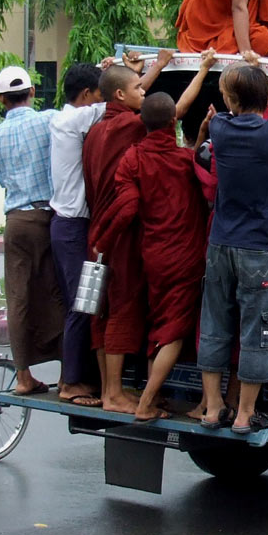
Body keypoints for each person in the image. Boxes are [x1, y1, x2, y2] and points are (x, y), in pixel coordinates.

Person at [88, 61, 215, 421]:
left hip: (151, 254)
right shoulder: (184, 160)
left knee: (155, 322)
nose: (140, 89)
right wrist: (202, 138)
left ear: (143, 121)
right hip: (187, 255)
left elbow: (127, 207)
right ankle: (145, 402)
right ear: (172, 122)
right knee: (173, 329)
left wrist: (102, 238)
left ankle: (151, 393)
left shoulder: (131, 155)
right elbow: (201, 171)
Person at [196, 63, 268, 433]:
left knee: (215, 323)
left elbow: (252, 100)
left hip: (220, 244)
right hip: (259, 249)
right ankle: (245, 414)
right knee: (257, 329)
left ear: (230, 101)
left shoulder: (220, 127)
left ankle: (213, 407)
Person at [0, 66, 66, 396]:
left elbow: (3, 181)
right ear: (32, 92)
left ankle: (23, 376)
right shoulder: (48, 120)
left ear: (1, 99)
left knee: (18, 297)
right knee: (59, 292)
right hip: (48, 216)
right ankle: (68, 374)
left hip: (15, 221)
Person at [82, 65, 147, 414]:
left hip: (95, 233)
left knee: (99, 309)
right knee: (120, 307)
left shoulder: (94, 131)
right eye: (139, 87)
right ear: (120, 95)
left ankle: (110, 388)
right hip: (119, 234)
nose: (144, 93)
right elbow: (168, 113)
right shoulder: (132, 125)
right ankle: (114, 394)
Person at [48, 62, 106, 406]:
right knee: (81, 305)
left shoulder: (61, 117)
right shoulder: (76, 119)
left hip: (64, 224)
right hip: (72, 227)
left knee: (79, 302)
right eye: (97, 94)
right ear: (86, 96)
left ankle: (69, 375)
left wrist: (105, 67)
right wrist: (154, 68)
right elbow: (121, 98)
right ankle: (71, 383)